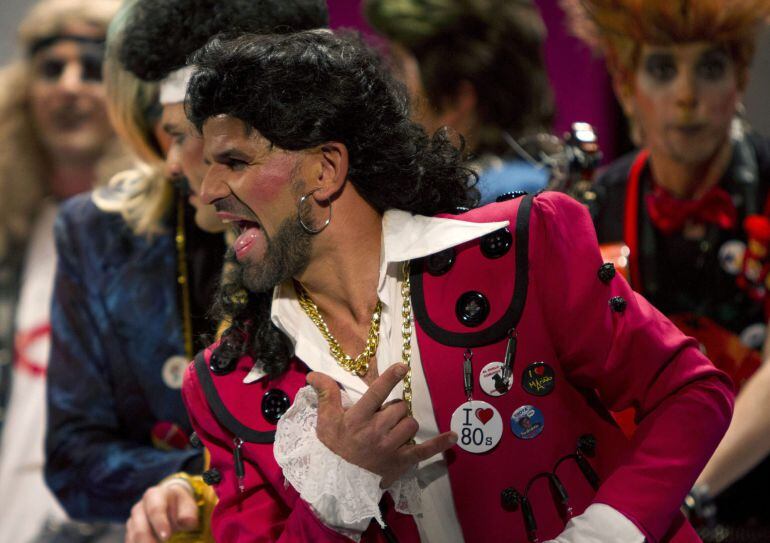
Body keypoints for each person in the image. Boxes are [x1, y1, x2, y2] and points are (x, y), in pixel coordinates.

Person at [179, 30, 732, 542]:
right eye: (208, 164)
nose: (208, 190)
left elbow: (691, 394)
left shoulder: (521, 250)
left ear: (325, 170)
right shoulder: (224, 385)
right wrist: (337, 487)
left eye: (235, 160)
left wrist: (602, 535)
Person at [44, 0, 330, 538]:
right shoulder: (98, 233)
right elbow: (72, 460)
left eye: (180, 134)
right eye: (167, 133)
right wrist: (192, 483)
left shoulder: (326, 231)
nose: (172, 161)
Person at [563, 0, 770, 539]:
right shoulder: (587, 209)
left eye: (710, 68)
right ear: (626, 83)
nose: (686, 95)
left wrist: (682, 491)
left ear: (741, 77)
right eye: (662, 69)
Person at [0, 1, 127, 541]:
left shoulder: (166, 243)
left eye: (94, 70)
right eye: (52, 69)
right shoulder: (11, 238)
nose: (70, 87)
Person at [364, 0, 555, 205]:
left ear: (454, 100)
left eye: (397, 67)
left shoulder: (502, 205)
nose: (387, 85)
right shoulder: (535, 185)